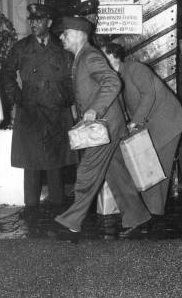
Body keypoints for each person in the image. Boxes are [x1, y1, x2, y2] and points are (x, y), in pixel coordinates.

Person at [53, 16, 151, 239]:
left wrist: (95, 109)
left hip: (104, 125)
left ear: (78, 34)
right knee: (116, 173)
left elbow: (113, 82)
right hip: (107, 125)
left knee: (87, 170)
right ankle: (137, 216)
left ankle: (72, 220)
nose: (61, 37)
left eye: (65, 33)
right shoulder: (81, 56)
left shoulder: (89, 56)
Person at [2, 3, 77, 214]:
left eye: (38, 20)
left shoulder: (62, 47)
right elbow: (7, 73)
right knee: (31, 162)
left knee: (56, 161)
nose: (33, 24)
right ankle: (31, 209)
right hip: (31, 111)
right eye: (31, 20)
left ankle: (57, 207)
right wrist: (18, 98)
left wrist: (67, 98)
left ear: (49, 23)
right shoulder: (21, 48)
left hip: (56, 109)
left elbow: (74, 76)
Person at [102, 42, 182, 215]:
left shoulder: (135, 68)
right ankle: (151, 212)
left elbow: (149, 94)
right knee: (150, 166)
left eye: (102, 55)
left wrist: (134, 122)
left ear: (113, 56)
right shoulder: (116, 75)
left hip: (168, 122)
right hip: (152, 123)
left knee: (156, 167)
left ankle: (153, 213)